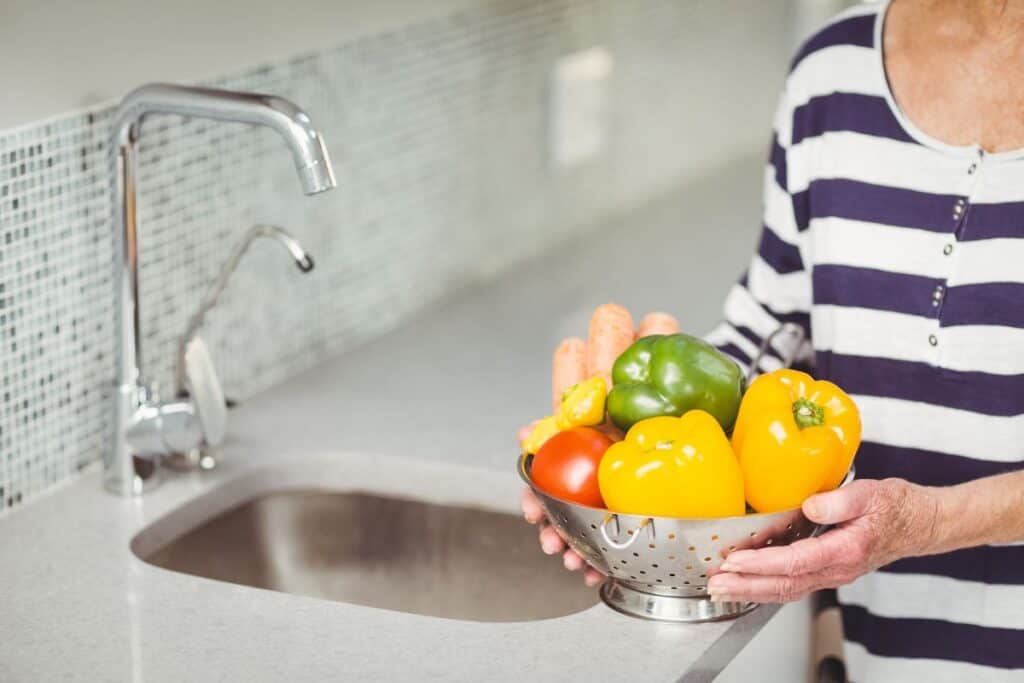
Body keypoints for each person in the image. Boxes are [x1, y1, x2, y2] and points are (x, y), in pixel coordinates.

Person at [520, 1, 1024, 680]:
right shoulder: (833, 77)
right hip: (885, 651)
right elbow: (772, 326)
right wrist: (617, 460)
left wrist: (931, 521)